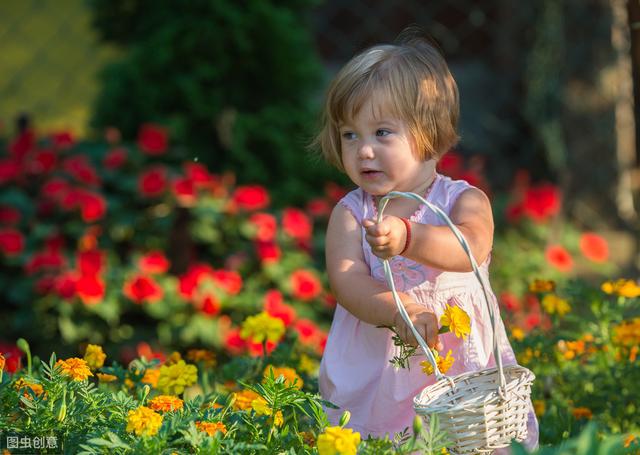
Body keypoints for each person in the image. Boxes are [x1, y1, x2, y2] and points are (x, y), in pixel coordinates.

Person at [314, 30, 538, 450]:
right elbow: (347, 283)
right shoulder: (352, 213)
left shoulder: (462, 200)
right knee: (381, 440)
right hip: (380, 364)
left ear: (430, 133)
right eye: (350, 135)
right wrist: (398, 311)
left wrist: (409, 237)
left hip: (459, 365)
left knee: (468, 442)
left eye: (382, 132)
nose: (363, 151)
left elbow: (472, 248)